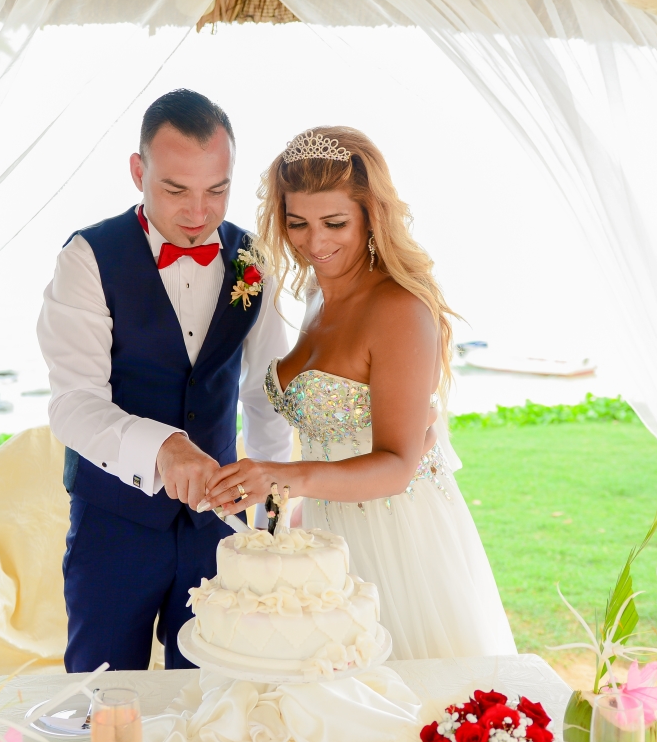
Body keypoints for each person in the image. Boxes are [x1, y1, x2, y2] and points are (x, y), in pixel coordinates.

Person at [202, 127, 517, 659]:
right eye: (297, 223)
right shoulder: (315, 295)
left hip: (397, 536)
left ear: (371, 215)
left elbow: (396, 465)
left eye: (335, 223)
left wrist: (282, 476)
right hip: (329, 531)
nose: (314, 243)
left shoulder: (399, 310)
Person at [37, 90, 293, 671]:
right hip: (114, 524)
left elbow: (265, 395)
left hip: (219, 528)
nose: (199, 213)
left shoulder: (252, 259)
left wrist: (269, 516)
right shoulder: (87, 258)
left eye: (217, 190)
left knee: (214, 696)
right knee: (104, 695)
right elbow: (73, 403)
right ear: (138, 171)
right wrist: (164, 447)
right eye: (176, 190)